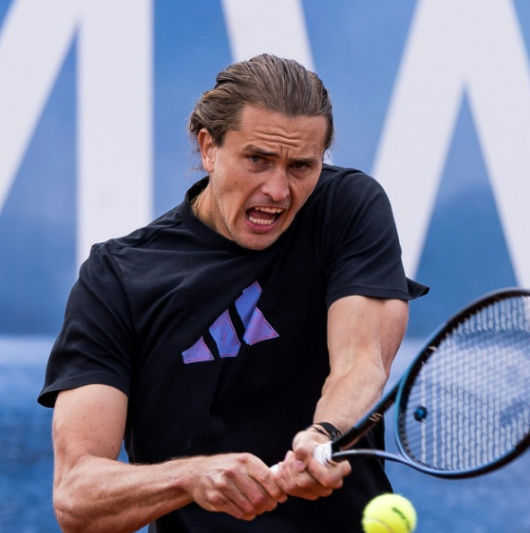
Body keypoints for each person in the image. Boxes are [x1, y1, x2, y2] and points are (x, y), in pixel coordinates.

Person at [37, 53, 428, 532]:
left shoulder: (347, 208)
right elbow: (77, 497)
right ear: (208, 147)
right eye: (257, 160)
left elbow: (361, 361)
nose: (278, 190)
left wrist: (323, 435)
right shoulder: (116, 278)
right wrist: (191, 477)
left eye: (301, 166)